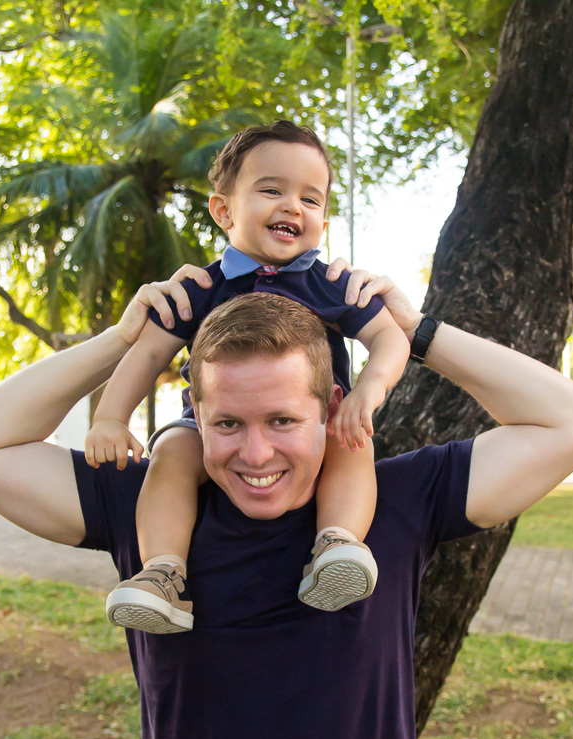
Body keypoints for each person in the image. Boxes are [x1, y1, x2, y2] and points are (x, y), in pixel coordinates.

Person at [0, 263, 573, 739]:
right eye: (227, 424)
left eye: (282, 421)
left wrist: (419, 331)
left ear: (332, 407)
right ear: (197, 416)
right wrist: (120, 342)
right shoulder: (145, 506)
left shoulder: (397, 500)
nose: (255, 455)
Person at [83, 121, 410, 634]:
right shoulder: (199, 287)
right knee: (170, 451)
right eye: (272, 190)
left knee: (352, 438)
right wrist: (109, 416)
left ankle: (338, 543)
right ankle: (163, 574)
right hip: (216, 427)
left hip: (310, 425)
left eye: (311, 198)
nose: (292, 207)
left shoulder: (332, 285)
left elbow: (392, 338)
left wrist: (369, 388)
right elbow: (147, 355)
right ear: (224, 210)